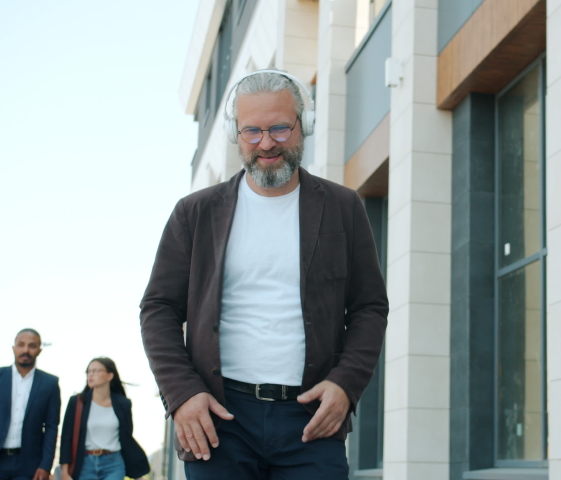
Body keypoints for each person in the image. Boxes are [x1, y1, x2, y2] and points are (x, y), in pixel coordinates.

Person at [140, 69, 388, 480]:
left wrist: (346, 384)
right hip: (217, 421)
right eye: (252, 131)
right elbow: (158, 309)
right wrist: (182, 394)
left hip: (311, 422)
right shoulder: (194, 213)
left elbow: (369, 308)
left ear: (303, 126)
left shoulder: (345, 207)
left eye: (278, 128)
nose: (267, 143)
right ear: (235, 134)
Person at [0, 328, 60, 480]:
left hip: (28, 464)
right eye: (21, 345)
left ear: (39, 350)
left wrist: (45, 465)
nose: (25, 350)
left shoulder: (50, 384)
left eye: (32, 346)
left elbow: (51, 427)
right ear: (13, 348)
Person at [58, 357, 149, 480]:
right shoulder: (77, 402)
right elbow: (67, 437)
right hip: (85, 464)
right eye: (88, 371)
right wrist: (65, 471)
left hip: (114, 463)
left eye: (96, 370)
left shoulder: (123, 404)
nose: (91, 374)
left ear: (110, 375)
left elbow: (126, 437)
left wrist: (137, 474)